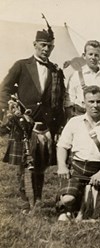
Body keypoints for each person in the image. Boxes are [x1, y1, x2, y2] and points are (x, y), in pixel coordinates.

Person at [0, 20, 66, 211]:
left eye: (50, 46)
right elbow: (3, 90)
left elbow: (60, 100)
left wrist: (57, 126)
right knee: (24, 164)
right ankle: (23, 202)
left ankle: (36, 200)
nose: (46, 49)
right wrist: (12, 111)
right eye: (43, 45)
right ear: (35, 45)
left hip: (45, 125)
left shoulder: (55, 70)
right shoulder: (21, 66)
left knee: (41, 164)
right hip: (24, 123)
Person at [56, 85, 100, 221]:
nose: (95, 105)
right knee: (69, 199)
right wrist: (62, 166)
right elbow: (62, 146)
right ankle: (64, 204)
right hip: (78, 170)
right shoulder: (74, 122)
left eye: (98, 101)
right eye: (91, 102)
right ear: (83, 103)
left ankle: (76, 208)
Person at [65, 40, 100, 118]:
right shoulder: (75, 76)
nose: (93, 58)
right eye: (90, 54)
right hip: (81, 117)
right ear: (84, 55)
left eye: (96, 55)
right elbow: (68, 103)